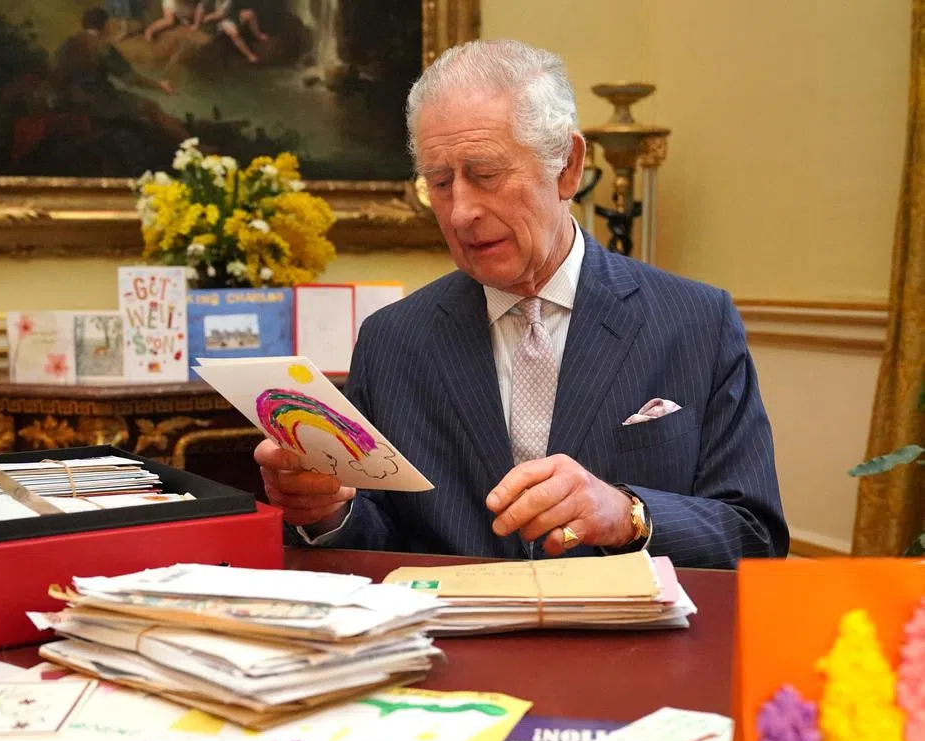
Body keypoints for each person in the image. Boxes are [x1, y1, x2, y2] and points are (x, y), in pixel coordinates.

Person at [253, 40, 789, 569]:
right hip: (451, 647)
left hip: (628, 649)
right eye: (439, 183)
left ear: (568, 168)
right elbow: (377, 540)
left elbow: (756, 537)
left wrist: (629, 515)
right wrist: (325, 513)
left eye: (486, 174)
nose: (461, 212)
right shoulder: (393, 340)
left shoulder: (695, 321)